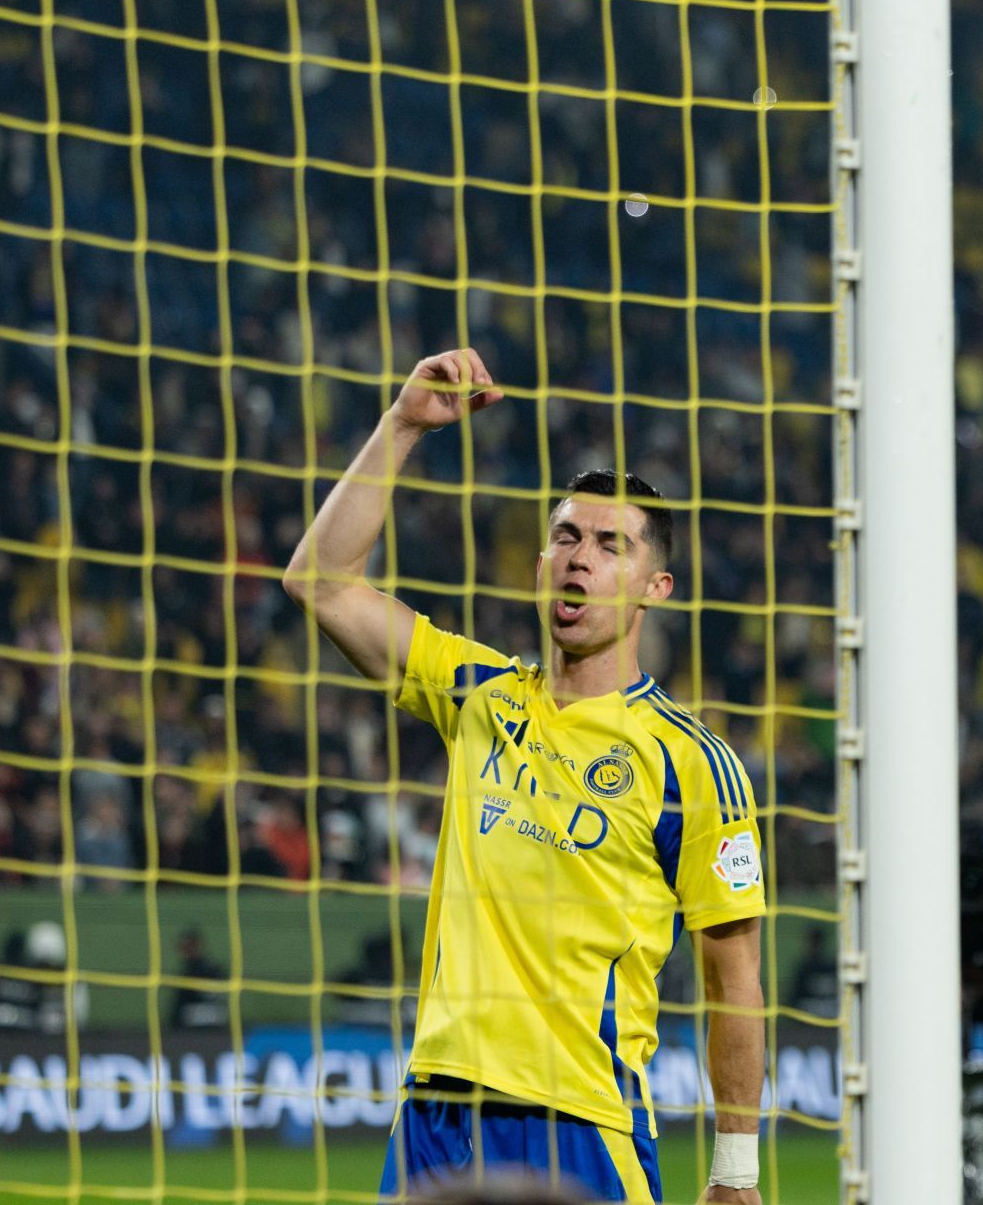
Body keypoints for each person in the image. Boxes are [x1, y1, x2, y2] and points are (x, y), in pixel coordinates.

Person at [284, 349, 767, 1204]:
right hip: (435, 1108)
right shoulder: (478, 695)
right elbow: (320, 583)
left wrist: (736, 1173)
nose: (579, 557)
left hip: (579, 1120)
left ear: (654, 586)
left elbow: (734, 980)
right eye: (565, 537)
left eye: (609, 544)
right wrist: (400, 427)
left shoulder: (693, 762)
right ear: (541, 564)